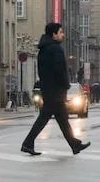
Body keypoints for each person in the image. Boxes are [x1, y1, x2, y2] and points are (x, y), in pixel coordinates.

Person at [21, 23, 90, 156]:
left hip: (48, 89)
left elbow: (42, 70)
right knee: (44, 119)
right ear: (54, 34)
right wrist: (66, 84)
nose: (62, 34)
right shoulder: (56, 49)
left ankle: (75, 145)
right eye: (60, 32)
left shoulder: (43, 49)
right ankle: (27, 143)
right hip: (55, 91)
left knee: (62, 119)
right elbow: (60, 70)